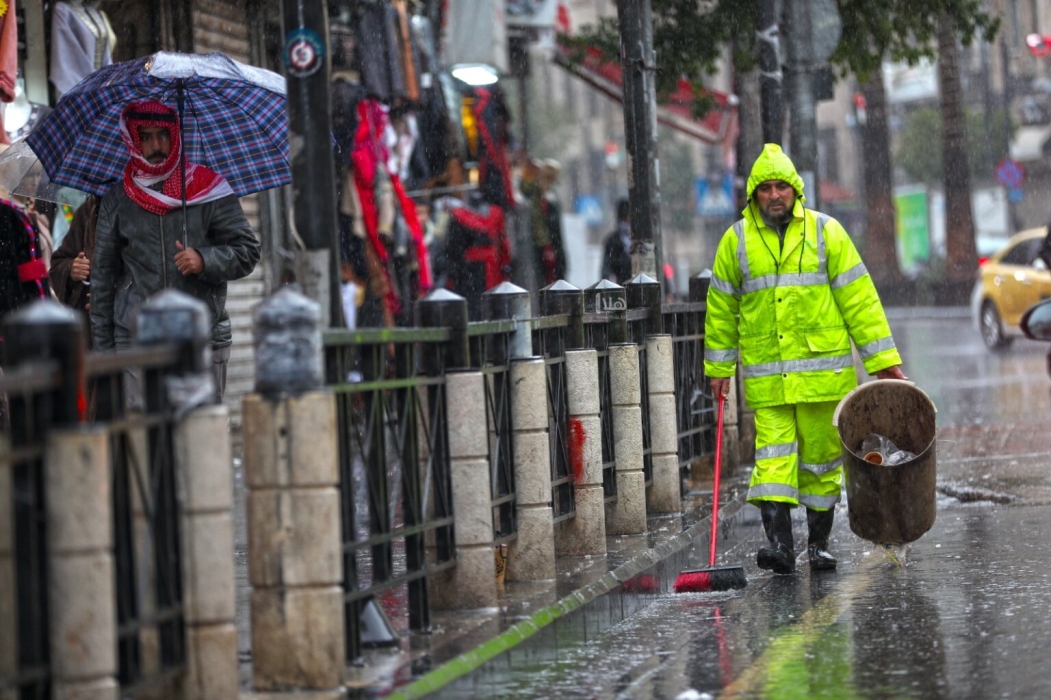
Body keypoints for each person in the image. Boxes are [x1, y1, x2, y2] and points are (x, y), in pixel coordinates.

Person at [704, 144, 906, 574]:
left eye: (781, 186)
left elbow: (859, 301)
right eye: (766, 188)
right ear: (754, 194)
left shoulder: (825, 232)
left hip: (823, 379)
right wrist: (718, 369)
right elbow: (721, 308)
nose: (774, 195)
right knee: (772, 463)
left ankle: (818, 545)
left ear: (795, 190)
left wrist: (883, 361)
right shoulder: (736, 241)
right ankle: (780, 546)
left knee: (820, 465)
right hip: (769, 380)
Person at [90, 101, 260, 404]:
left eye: (163, 135)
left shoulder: (209, 190)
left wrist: (204, 259)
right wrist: (105, 356)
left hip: (202, 337)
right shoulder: (117, 201)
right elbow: (103, 278)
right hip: (136, 341)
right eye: (147, 137)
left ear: (176, 135)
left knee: (199, 440)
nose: (157, 145)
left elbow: (247, 251)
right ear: (133, 140)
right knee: (146, 443)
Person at [601, 198, 632, 283]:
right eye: (624, 219)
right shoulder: (612, 241)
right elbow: (606, 267)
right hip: (620, 285)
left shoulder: (640, 239)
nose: (626, 222)